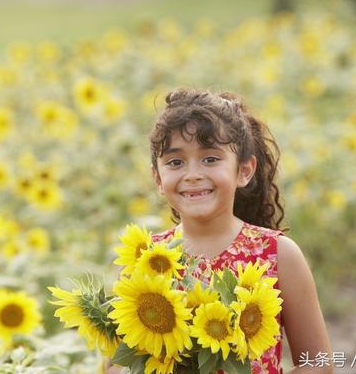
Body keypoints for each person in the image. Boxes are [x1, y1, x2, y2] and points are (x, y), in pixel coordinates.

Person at [106, 89, 332, 374]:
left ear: (244, 170)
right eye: (176, 162)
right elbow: (116, 362)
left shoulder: (277, 254)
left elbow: (319, 363)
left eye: (210, 159)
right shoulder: (145, 260)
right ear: (158, 178)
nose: (192, 174)